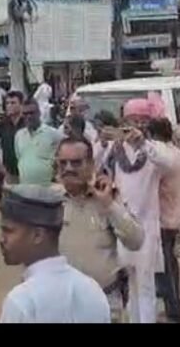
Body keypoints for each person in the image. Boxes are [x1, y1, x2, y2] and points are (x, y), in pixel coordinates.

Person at [94, 99, 175, 324]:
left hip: (147, 226)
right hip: (123, 223)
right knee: (130, 283)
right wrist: (102, 142)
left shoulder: (153, 148)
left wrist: (142, 144)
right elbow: (94, 163)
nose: (137, 125)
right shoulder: (115, 148)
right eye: (132, 120)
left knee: (146, 284)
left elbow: (168, 165)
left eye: (142, 121)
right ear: (124, 122)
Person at [55, 136, 143, 322]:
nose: (68, 168)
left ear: (91, 165)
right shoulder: (50, 201)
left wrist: (109, 205)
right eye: (63, 163)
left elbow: (136, 241)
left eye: (76, 163)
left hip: (104, 301)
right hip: (62, 304)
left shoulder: (107, 196)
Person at [0, 183, 110, 323]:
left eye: (8, 231)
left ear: (38, 235)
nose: (2, 239)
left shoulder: (21, 302)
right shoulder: (92, 290)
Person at [147, 118, 180, 323]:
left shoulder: (161, 155)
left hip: (162, 218)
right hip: (173, 215)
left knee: (165, 268)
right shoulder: (177, 153)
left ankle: (173, 311)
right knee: (170, 266)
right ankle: (173, 307)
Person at [14, 99, 62, 187]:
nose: (28, 116)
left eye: (32, 113)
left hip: (48, 188)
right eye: (25, 114)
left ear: (39, 113)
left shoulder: (53, 134)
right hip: (25, 187)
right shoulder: (19, 135)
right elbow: (19, 158)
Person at [0, 90, 27, 185]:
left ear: (21, 105)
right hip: (10, 174)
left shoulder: (29, 124)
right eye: (7, 103)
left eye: (13, 103)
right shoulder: (2, 125)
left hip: (29, 174)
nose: (9, 106)